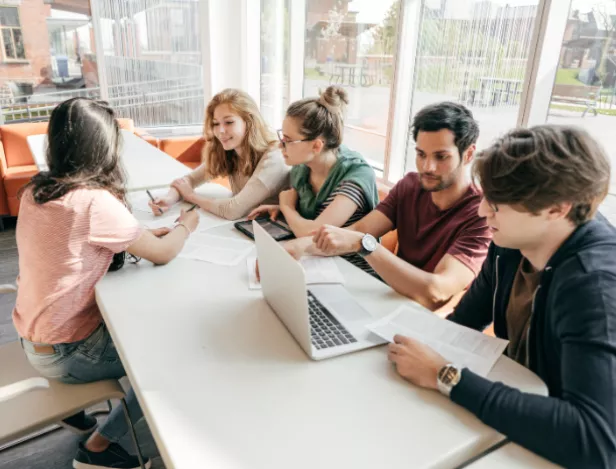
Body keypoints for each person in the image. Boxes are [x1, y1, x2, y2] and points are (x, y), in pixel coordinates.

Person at [387, 125, 616, 468]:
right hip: (520, 418)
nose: (482, 212)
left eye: (496, 205)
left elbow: (596, 441)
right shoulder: (508, 246)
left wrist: (446, 376)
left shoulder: (594, 285)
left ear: (557, 208)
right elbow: (462, 324)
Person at [14, 98, 199, 469]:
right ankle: (105, 449)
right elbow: (162, 253)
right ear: (104, 148)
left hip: (34, 339)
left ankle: (78, 412)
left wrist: (137, 234)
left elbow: (77, 241)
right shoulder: (94, 202)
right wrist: (185, 226)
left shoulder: (37, 190)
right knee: (179, 361)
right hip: (69, 355)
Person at [290, 102, 492, 311]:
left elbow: (436, 291)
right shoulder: (410, 185)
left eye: (441, 156)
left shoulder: (482, 213)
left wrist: (364, 244)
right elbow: (359, 230)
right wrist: (295, 248)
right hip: (388, 300)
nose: (427, 167)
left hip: (426, 318)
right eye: (421, 154)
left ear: (468, 154)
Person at [248, 85, 379, 239]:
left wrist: (287, 208)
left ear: (316, 145)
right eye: (282, 137)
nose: (280, 145)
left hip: (346, 262)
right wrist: (280, 209)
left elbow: (313, 234)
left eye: (288, 140)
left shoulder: (356, 176)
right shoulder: (302, 169)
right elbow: (313, 219)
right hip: (314, 257)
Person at [150, 88, 289, 220]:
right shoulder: (229, 149)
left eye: (229, 122)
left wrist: (191, 196)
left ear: (249, 122)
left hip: (275, 233)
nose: (221, 130)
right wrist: (169, 200)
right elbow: (188, 180)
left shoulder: (275, 156)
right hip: (248, 225)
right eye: (216, 124)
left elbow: (233, 210)